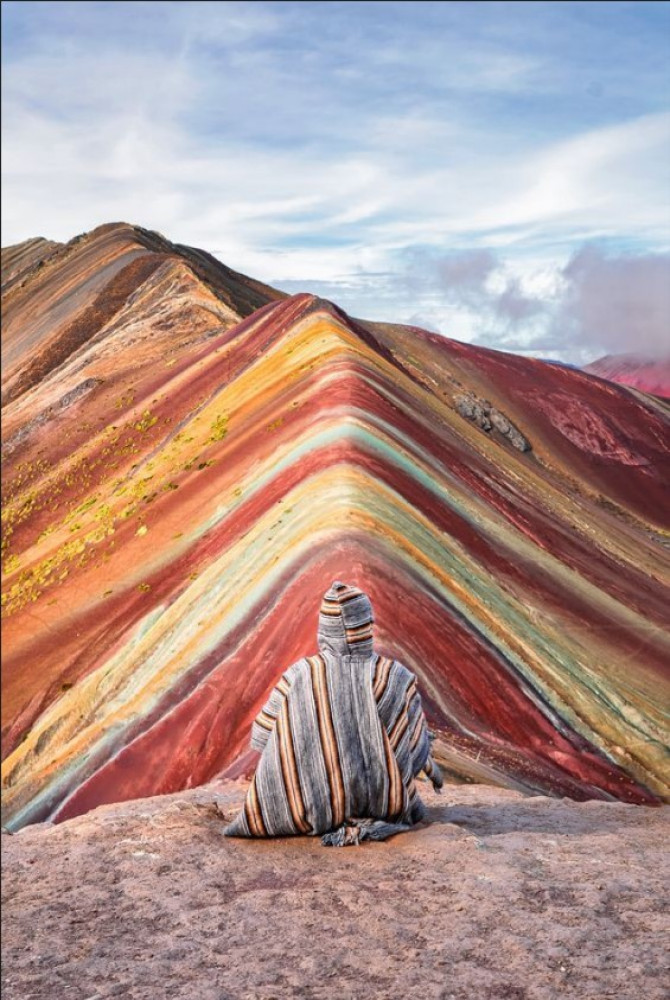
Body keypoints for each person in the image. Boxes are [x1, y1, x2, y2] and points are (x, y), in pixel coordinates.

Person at [225, 580, 443, 846]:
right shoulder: (394, 676)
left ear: (325, 628)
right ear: (366, 624)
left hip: (305, 804)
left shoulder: (300, 674)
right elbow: (415, 749)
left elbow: (262, 737)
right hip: (384, 805)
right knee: (396, 797)